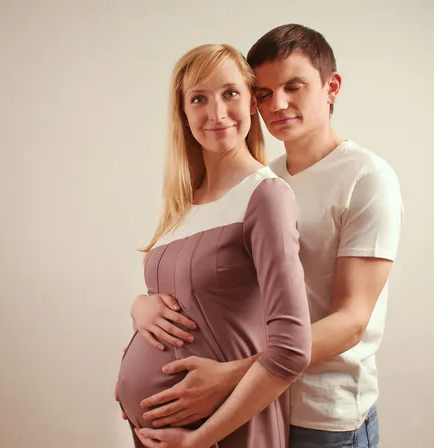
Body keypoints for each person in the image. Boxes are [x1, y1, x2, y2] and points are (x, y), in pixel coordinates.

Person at [124, 24, 404, 448]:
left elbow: (351, 321)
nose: (279, 104)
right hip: (262, 400)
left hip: (325, 415)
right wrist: (141, 305)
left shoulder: (366, 178)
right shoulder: (264, 178)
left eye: (294, 87)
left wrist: (230, 376)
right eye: (265, 93)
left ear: (332, 88)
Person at [115, 43, 312, 448]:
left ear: (252, 104)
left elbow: (292, 349)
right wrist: (139, 308)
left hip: (223, 433)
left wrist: (199, 439)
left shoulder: (266, 196)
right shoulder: (183, 205)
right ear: (184, 115)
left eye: (231, 93)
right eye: (199, 98)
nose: (217, 113)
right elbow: (184, 303)